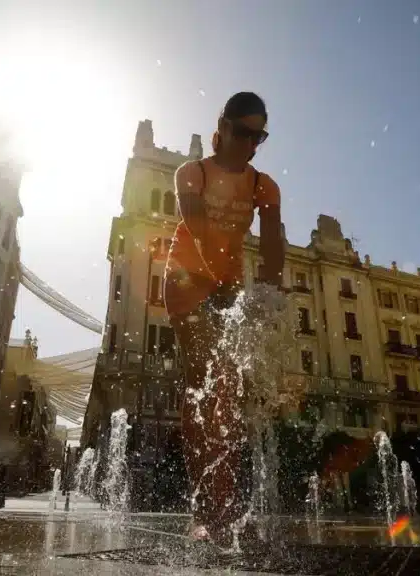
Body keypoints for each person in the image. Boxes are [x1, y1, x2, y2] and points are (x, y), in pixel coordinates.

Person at [164, 92, 284, 544]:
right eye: (244, 132)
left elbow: (271, 244)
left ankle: (224, 503)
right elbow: (196, 228)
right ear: (223, 129)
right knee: (201, 381)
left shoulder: (264, 186)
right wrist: (221, 283)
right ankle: (206, 509)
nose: (251, 143)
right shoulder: (191, 172)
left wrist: (270, 291)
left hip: (227, 287)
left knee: (229, 393)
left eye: (259, 136)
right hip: (187, 280)